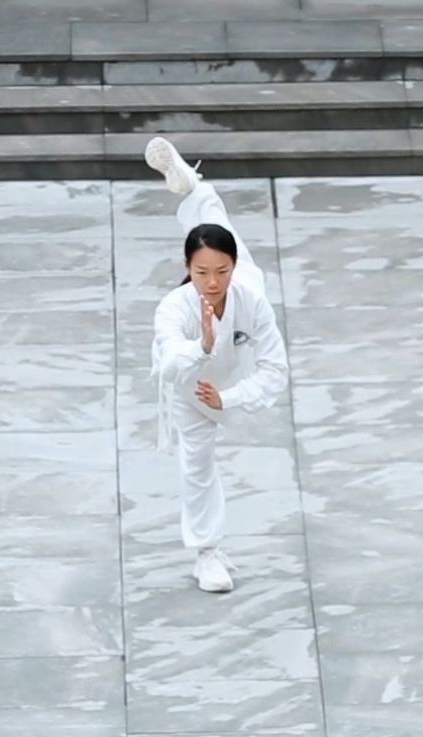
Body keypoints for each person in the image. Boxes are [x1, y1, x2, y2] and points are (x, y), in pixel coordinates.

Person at [145, 136, 290, 593]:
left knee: (216, 223)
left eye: (221, 271)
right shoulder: (173, 308)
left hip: (225, 386)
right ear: (188, 267)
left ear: (232, 268)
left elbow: (275, 371)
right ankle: (207, 552)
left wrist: (230, 397)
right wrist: (202, 346)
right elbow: (170, 364)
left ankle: (191, 184)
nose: (212, 281)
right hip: (192, 389)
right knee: (198, 464)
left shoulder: (250, 292)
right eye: (202, 272)